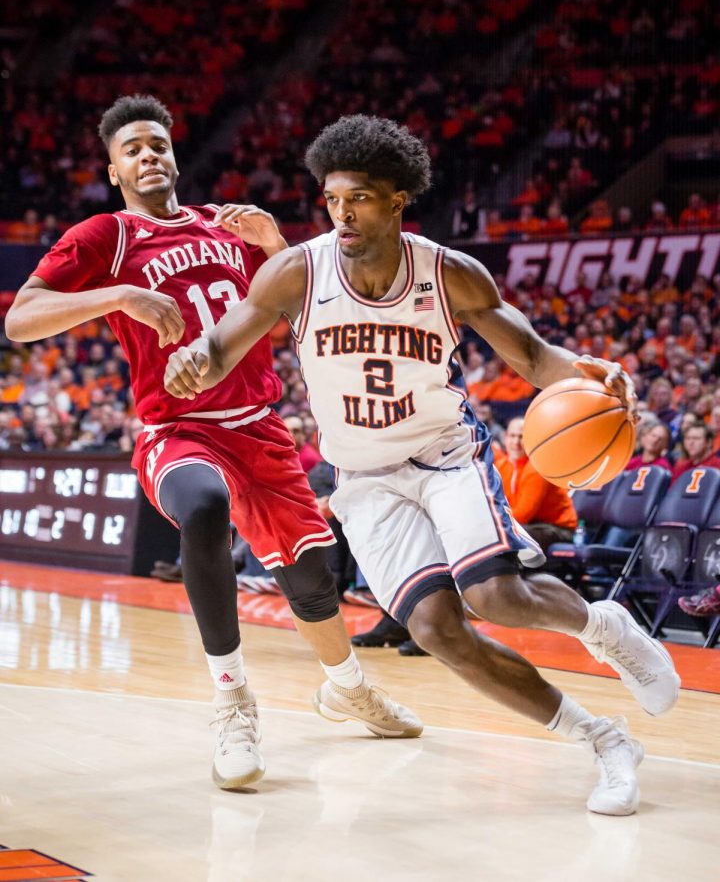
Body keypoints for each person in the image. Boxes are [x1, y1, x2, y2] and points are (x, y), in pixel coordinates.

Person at [164, 114, 680, 816]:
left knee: (495, 594)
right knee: (436, 630)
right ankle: (604, 740)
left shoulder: (447, 271)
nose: (343, 214)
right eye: (334, 199)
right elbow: (222, 345)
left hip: (444, 455)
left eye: (362, 198)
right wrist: (197, 361)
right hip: (365, 480)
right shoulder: (296, 271)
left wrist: (583, 373)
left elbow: (530, 356)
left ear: (399, 198)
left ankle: (605, 629)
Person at [5, 96, 421, 792]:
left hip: (260, 427)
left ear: (174, 155)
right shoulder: (106, 236)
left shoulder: (230, 225)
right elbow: (21, 318)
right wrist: (117, 297)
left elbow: (314, 313)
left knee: (312, 580)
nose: (149, 156)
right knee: (201, 507)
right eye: (133, 148)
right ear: (113, 170)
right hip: (177, 430)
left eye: (158, 144)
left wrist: (276, 248)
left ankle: (347, 687)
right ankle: (232, 701)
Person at [495, 416, 577, 553]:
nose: (516, 442)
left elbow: (523, 515)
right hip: (529, 525)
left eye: (522, 437)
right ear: (505, 438)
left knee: (506, 536)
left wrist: (492, 522)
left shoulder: (537, 467)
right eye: (512, 436)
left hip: (557, 529)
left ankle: (508, 573)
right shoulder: (501, 466)